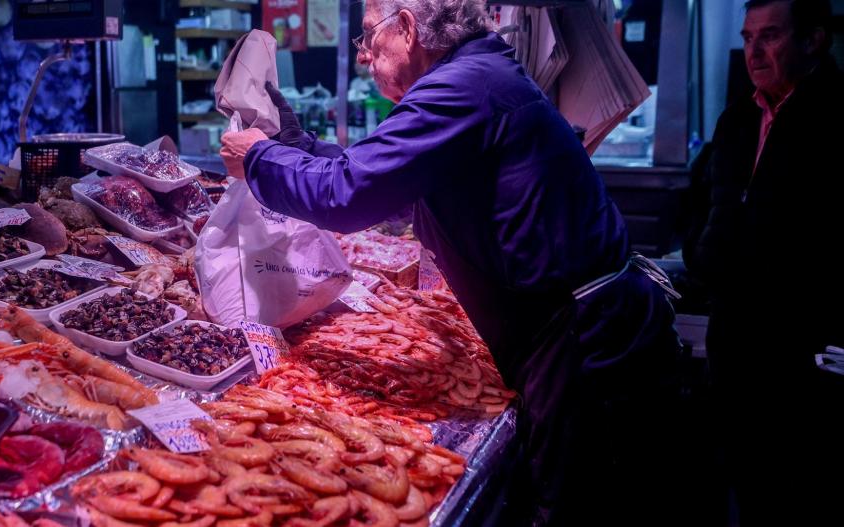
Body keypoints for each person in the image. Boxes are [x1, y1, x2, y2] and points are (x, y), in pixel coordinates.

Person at [222, 1, 682, 524]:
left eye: (369, 37)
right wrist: (292, 143)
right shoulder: (473, 75)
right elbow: (391, 184)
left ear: (410, 29)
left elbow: (349, 196)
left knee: (582, 507)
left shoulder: (462, 86)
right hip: (570, 329)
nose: (365, 56)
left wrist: (259, 160)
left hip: (585, 341)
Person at [684, 0, 844, 524]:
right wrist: (699, 255)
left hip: (806, 346)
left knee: (801, 492)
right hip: (735, 335)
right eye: (748, 37)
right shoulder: (737, 117)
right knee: (744, 484)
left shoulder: (837, 117)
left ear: (813, 40)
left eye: (770, 36)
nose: (753, 50)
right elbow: (705, 203)